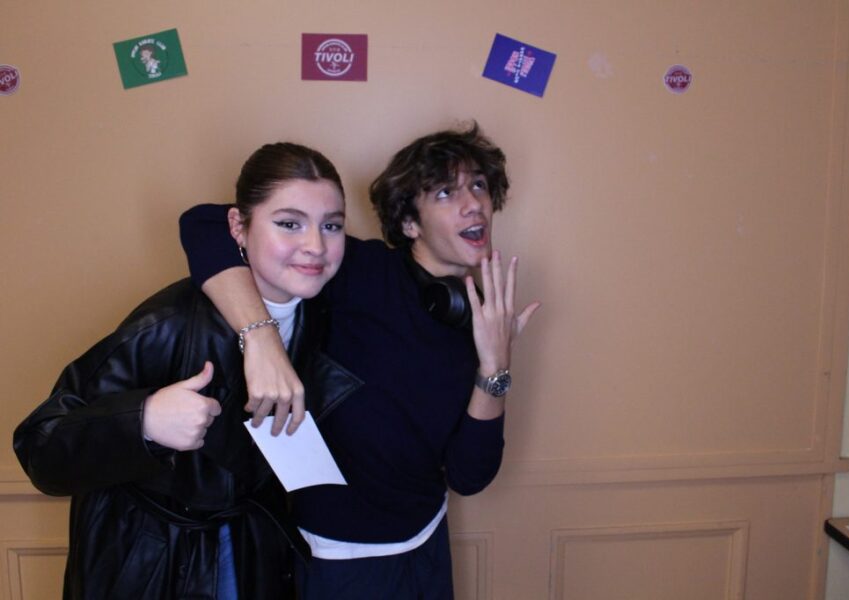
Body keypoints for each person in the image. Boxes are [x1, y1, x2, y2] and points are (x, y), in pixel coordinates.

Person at [179, 122, 540, 599]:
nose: (473, 203)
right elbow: (203, 224)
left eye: (478, 185)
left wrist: (494, 367)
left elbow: (470, 475)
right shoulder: (358, 269)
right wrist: (261, 339)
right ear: (409, 224)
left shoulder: (481, 319)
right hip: (339, 558)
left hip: (428, 543)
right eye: (446, 192)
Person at [13, 142, 352, 599]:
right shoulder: (168, 323)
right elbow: (40, 447)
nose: (315, 245)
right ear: (238, 227)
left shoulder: (323, 316)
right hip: (148, 566)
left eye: (331, 225)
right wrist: (144, 420)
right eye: (289, 223)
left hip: (252, 554)